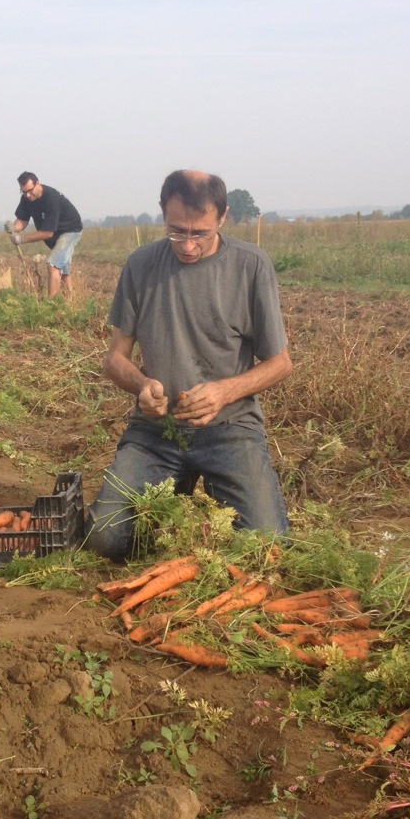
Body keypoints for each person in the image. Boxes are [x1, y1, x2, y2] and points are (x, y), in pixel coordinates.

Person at [86, 169, 291, 562]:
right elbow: (115, 359)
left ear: (223, 218)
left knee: (265, 546)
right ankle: (171, 490)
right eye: (177, 231)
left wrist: (224, 391)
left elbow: (280, 363)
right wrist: (142, 386)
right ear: (163, 214)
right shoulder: (142, 265)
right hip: (156, 432)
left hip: (230, 431)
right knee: (104, 541)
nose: (189, 246)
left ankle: (194, 496)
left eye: (201, 234)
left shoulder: (251, 266)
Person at [8, 172, 83, 298]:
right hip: (55, 235)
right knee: (62, 269)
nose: (27, 195)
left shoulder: (51, 198)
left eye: (30, 191)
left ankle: (50, 304)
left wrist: (22, 239)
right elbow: (23, 220)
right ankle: (71, 300)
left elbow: (48, 233)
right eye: (23, 191)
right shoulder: (26, 199)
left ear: (37, 183)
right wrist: (14, 228)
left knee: (53, 264)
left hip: (70, 231)